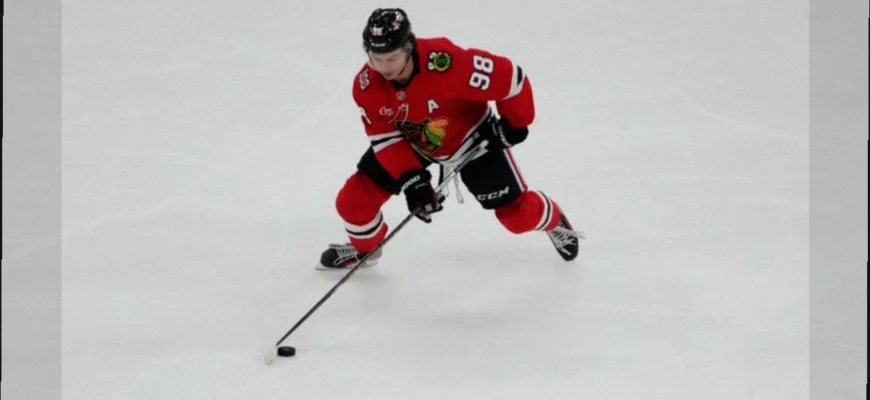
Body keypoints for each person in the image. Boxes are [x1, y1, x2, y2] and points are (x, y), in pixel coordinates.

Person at [317, 8, 582, 270]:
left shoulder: (447, 62)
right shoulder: (366, 85)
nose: (383, 68)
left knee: (517, 217)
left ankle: (553, 219)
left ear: (409, 47)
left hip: (471, 138)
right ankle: (366, 250)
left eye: (392, 58)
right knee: (353, 201)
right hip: (415, 138)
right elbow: (387, 140)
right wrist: (413, 180)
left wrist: (514, 125)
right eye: (376, 58)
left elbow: (512, 79)